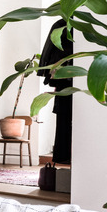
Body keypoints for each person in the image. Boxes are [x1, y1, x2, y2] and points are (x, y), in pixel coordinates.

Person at [37, 19, 73, 164]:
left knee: (65, 117)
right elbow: (50, 49)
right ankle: (64, 156)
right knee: (64, 116)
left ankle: (64, 156)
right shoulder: (62, 24)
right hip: (65, 79)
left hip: (66, 79)